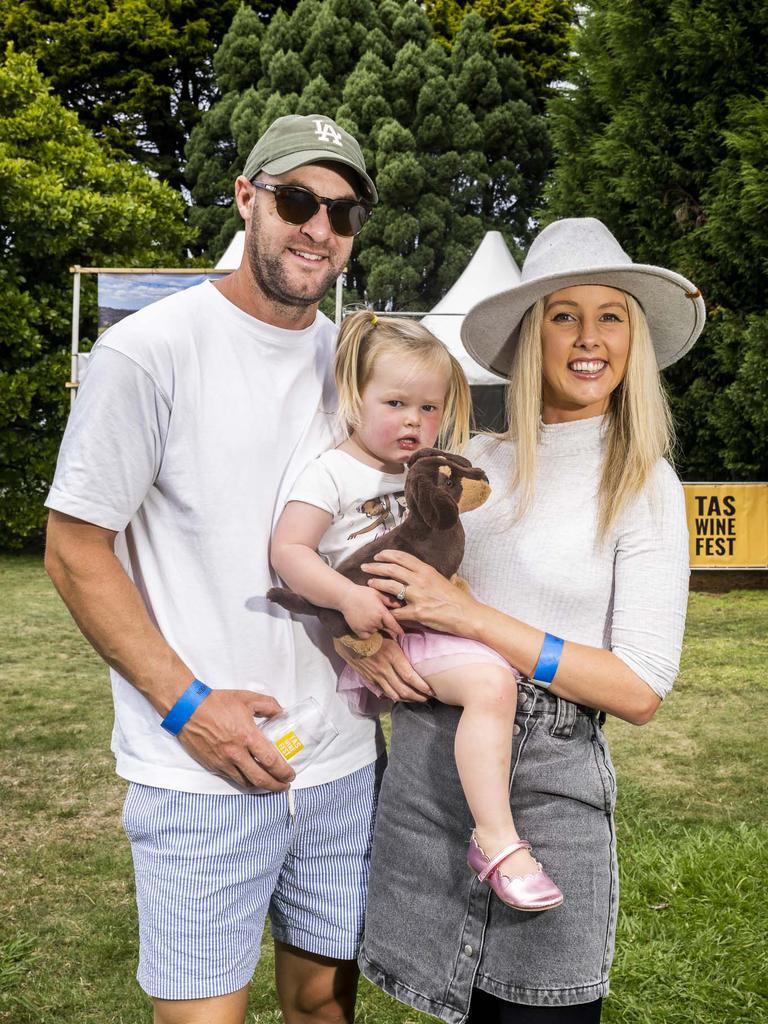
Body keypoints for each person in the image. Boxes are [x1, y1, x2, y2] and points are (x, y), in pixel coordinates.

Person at [43, 113, 405, 1024]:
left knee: (324, 1007)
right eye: (297, 201)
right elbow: (75, 546)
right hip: (198, 772)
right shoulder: (149, 350)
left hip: (343, 764)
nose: (320, 229)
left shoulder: (356, 366)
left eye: (344, 212)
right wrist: (189, 707)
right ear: (246, 197)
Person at [350, 218, 706, 1023]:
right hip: (434, 777)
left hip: (552, 790)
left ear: (634, 338)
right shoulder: (475, 465)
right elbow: (384, 574)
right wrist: (365, 639)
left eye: (610, 315)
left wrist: (474, 619)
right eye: (563, 314)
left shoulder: (646, 483)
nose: (589, 338)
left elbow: (641, 689)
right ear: (529, 335)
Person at [270, 311, 563, 913]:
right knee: (491, 686)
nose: (414, 421)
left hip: (422, 623)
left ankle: (491, 820)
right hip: (381, 630)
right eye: (397, 402)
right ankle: (498, 842)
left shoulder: (419, 473)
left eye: (430, 409)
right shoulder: (333, 471)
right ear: (354, 396)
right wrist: (347, 597)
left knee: (499, 678)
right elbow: (288, 549)